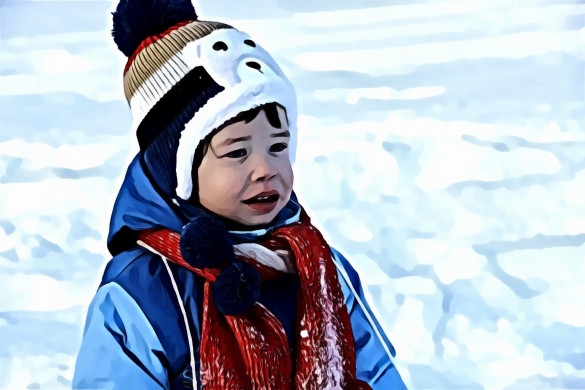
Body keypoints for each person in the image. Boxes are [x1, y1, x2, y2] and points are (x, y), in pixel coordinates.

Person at [73, 0, 407, 389]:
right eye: (237, 152)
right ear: (178, 171)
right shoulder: (142, 293)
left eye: (278, 147)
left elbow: (377, 372)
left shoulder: (317, 264)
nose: (265, 169)